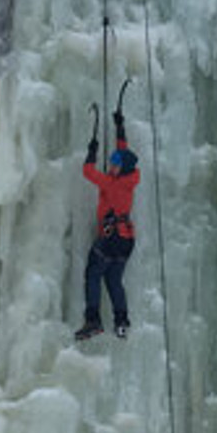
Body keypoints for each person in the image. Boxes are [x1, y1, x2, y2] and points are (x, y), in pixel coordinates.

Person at [75, 107, 139, 340]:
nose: (110, 165)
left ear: (122, 168)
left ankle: (93, 320)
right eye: (111, 161)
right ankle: (121, 321)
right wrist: (120, 127)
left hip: (111, 239)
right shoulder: (128, 179)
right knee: (113, 279)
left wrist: (92, 151)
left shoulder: (113, 184)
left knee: (93, 273)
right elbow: (123, 151)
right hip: (125, 241)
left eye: (114, 163)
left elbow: (87, 171)